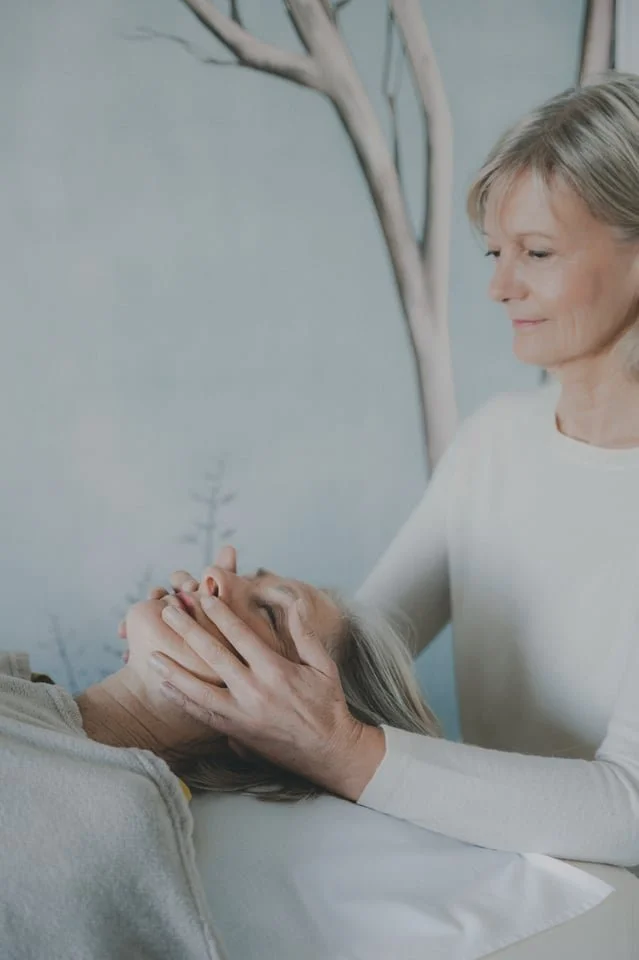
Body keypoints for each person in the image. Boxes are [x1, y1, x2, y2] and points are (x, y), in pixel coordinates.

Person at [150, 71, 639, 872]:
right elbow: (366, 639)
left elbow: (625, 813)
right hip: (514, 881)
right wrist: (257, 623)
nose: (497, 286)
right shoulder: (495, 443)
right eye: (495, 251)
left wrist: (344, 752)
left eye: (536, 253)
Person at [1, 558, 438, 958]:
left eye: (268, 613)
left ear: (283, 732)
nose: (213, 576)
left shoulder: (117, 816)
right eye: (245, 577)